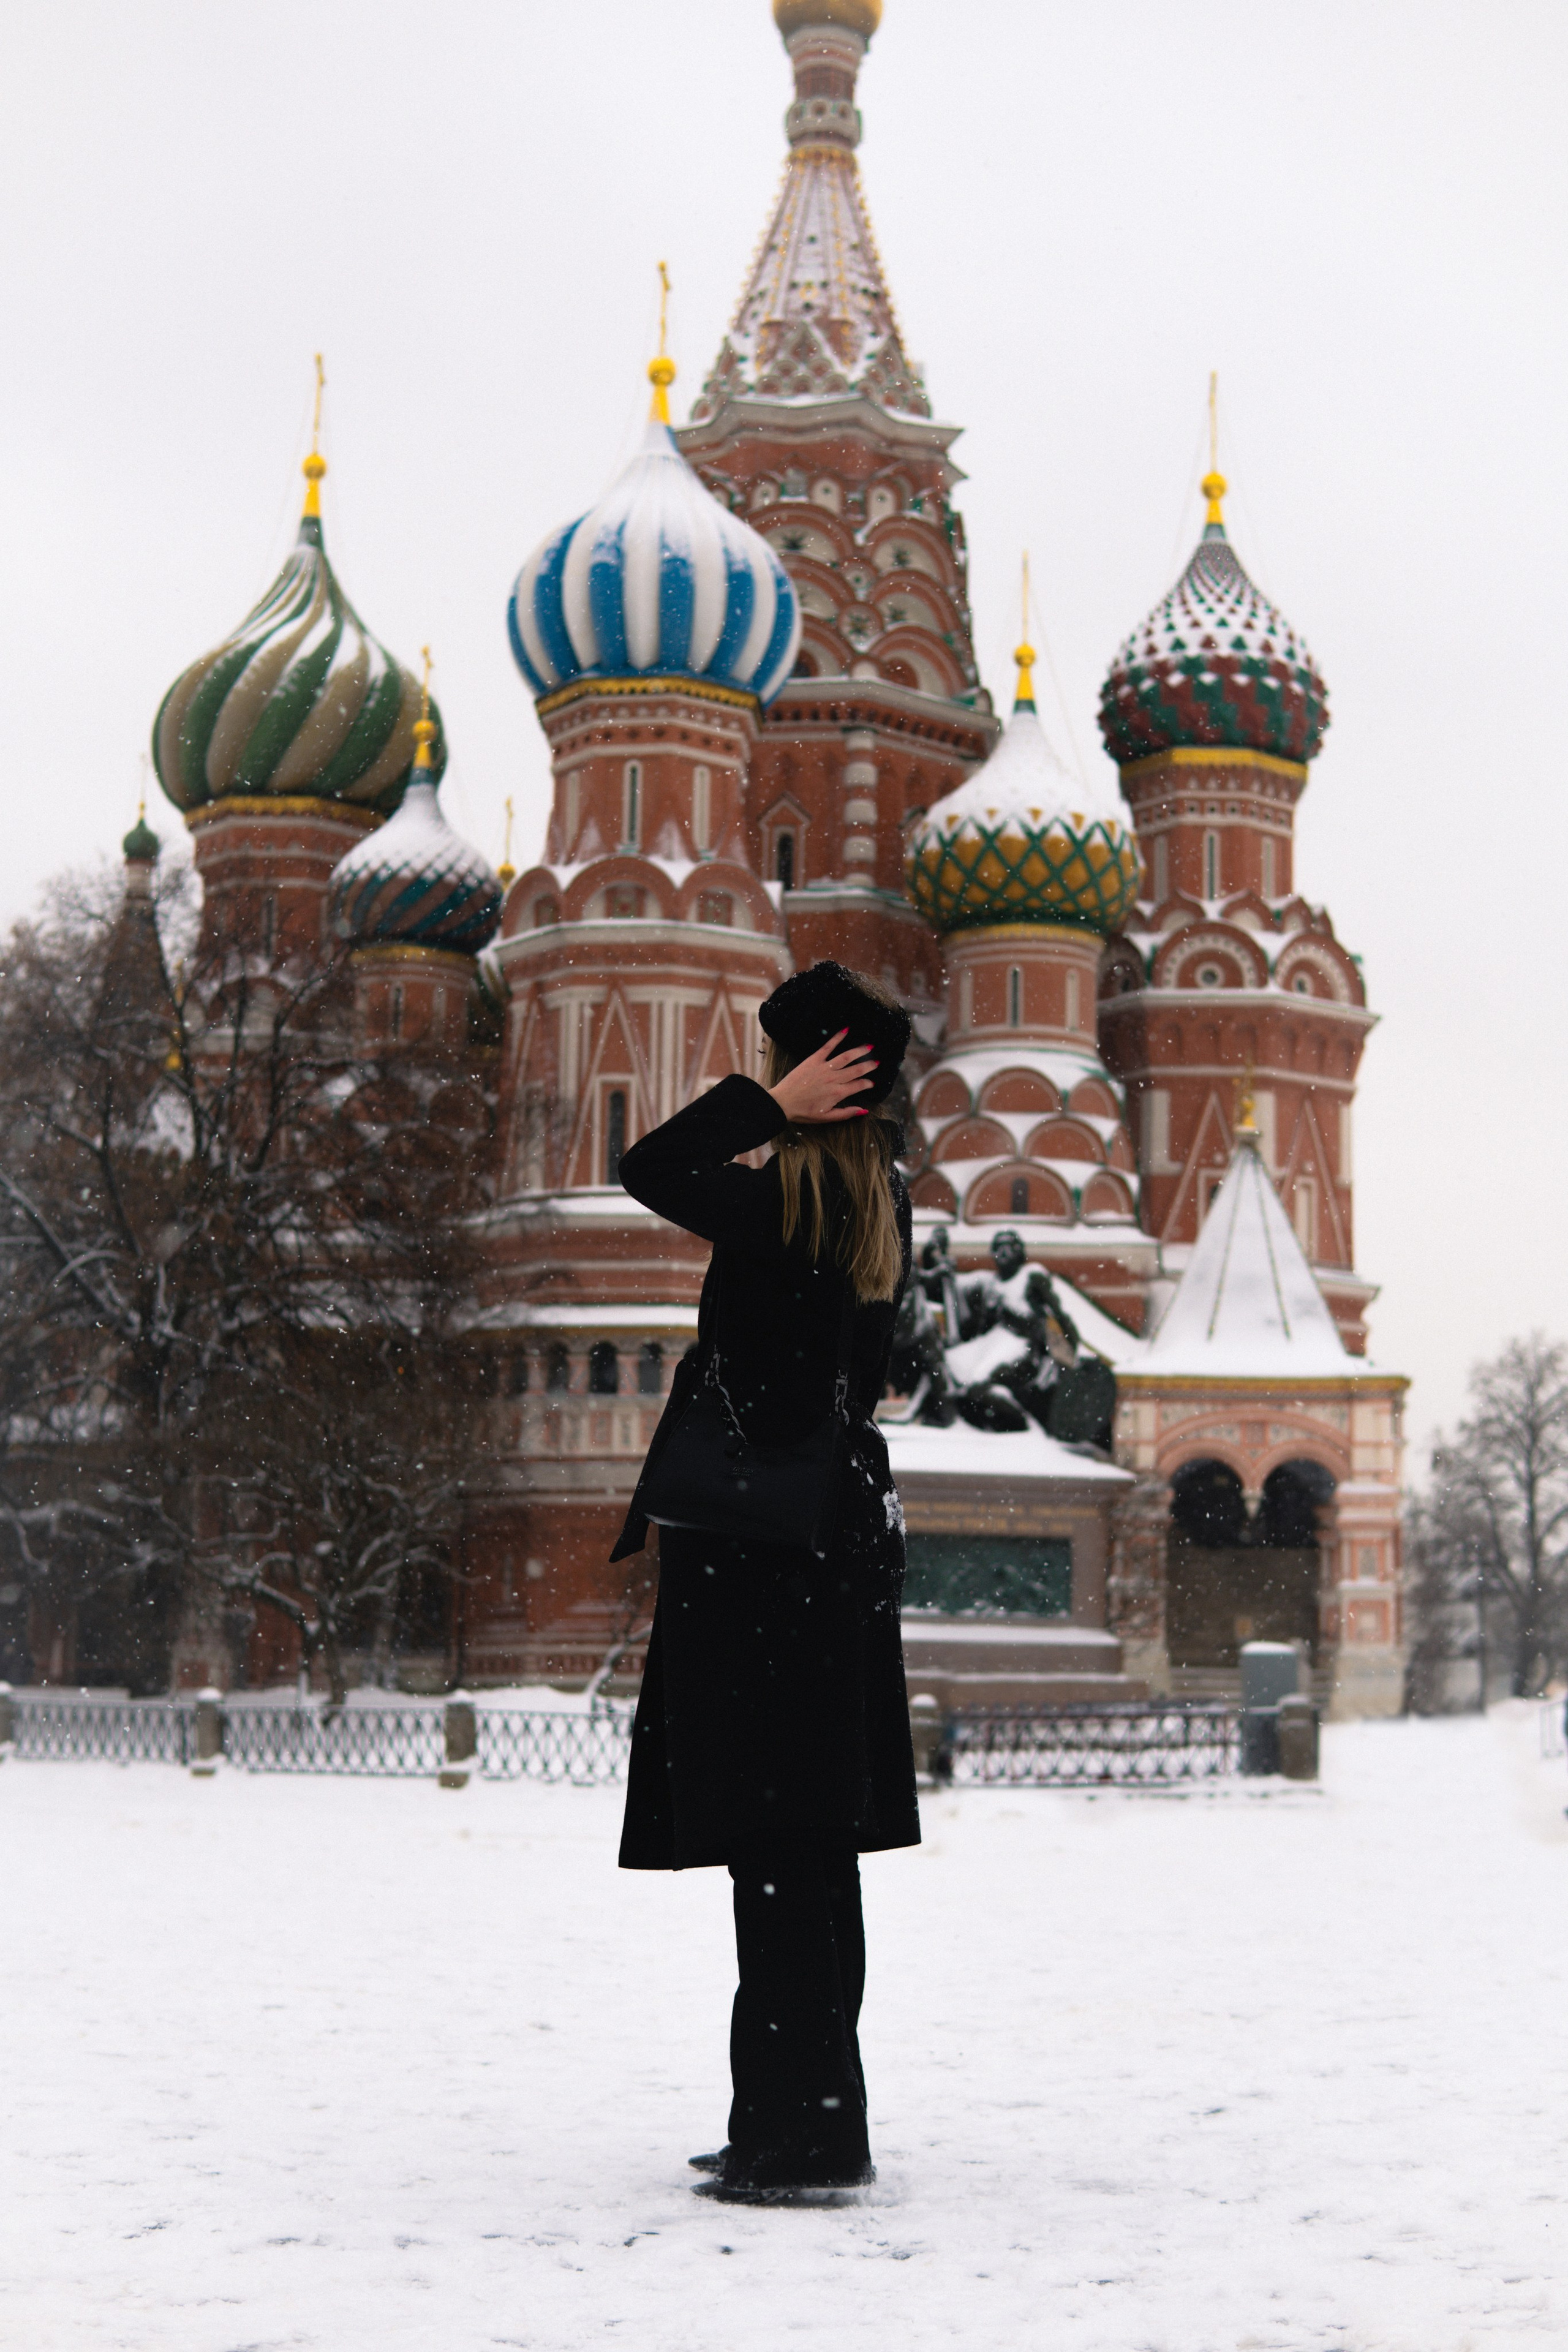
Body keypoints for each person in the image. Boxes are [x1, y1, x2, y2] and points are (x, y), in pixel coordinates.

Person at [612, 960, 919, 2206]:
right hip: (826, 1549)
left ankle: (798, 2143)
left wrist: (763, 1107)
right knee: (813, 1855)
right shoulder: (875, 1199)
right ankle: (806, 2117)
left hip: (756, 1557)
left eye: (784, 1061)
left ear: (814, 1076)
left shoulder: (783, 1199)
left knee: (776, 1854)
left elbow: (647, 1167)